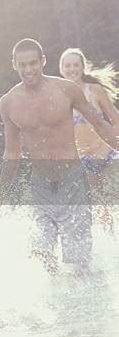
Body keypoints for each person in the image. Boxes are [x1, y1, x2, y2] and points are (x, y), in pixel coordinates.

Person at [0, 39, 118, 276]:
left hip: (72, 179)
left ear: (43, 61)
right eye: (22, 65)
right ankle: (57, 301)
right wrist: (0, 195)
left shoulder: (66, 90)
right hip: (40, 184)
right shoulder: (8, 102)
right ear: (14, 65)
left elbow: (100, 125)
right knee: (42, 251)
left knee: (79, 262)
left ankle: (87, 301)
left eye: (33, 63)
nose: (28, 69)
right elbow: (12, 152)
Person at [59, 48, 118, 233]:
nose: (72, 69)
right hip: (82, 159)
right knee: (97, 202)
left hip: (107, 153)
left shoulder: (95, 91)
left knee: (108, 197)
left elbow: (115, 120)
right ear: (61, 69)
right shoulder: (57, 96)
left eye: (76, 65)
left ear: (83, 67)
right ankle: (109, 240)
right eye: (67, 65)